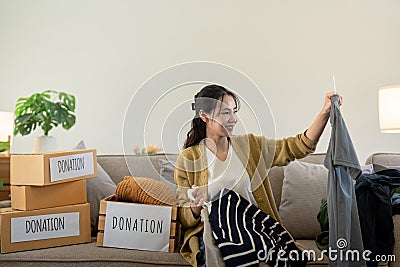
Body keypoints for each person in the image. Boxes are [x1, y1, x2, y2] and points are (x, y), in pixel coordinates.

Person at [174, 84, 341, 266]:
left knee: (225, 200)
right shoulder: (188, 158)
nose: (234, 119)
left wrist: (324, 113)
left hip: (255, 230)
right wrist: (195, 207)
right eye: (225, 113)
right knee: (221, 202)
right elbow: (184, 217)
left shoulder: (251, 146)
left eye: (234, 112)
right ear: (204, 116)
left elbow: (297, 146)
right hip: (216, 234)